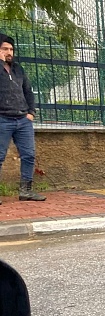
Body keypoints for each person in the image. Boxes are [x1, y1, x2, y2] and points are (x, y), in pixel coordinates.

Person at [0, 33, 46, 204]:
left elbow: (28, 91)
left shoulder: (18, 69)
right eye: (5, 49)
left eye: (11, 49)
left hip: (23, 120)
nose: (9, 52)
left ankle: (25, 191)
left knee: (28, 155)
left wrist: (31, 113)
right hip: (2, 119)